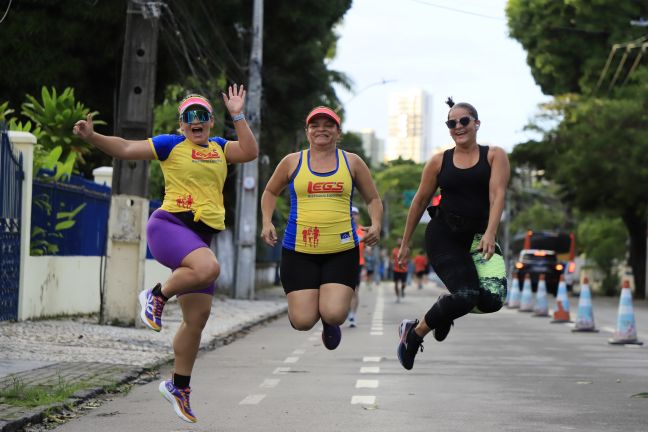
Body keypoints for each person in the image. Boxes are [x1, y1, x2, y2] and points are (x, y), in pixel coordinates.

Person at [72, 85, 258, 422]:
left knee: (196, 320)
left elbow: (249, 151)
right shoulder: (171, 145)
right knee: (209, 268)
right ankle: (155, 295)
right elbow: (127, 148)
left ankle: (179, 387)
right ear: (182, 124)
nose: (197, 121)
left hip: (201, 237)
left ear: (212, 122)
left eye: (203, 116)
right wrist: (93, 136)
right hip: (170, 227)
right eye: (191, 117)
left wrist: (238, 114)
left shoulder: (219, 148)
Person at [396, 97, 510, 370]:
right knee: (467, 294)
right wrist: (404, 243)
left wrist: (491, 232)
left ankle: (444, 310)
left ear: (476, 123)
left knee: (492, 300)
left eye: (464, 121)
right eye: (452, 123)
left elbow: (498, 196)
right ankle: (414, 333)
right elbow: (420, 202)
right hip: (444, 236)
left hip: (479, 237)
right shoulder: (439, 161)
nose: (458, 126)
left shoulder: (494, 156)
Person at [260, 106, 382, 350]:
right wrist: (266, 221)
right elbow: (271, 191)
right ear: (307, 132)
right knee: (302, 321)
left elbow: (373, 199)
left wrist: (376, 224)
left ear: (338, 131)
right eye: (315, 125)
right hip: (299, 251)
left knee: (335, 314)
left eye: (328, 125)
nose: (321, 129)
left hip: (341, 250)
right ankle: (314, 310)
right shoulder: (292, 162)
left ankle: (330, 321)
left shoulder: (352, 162)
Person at [347, 206, 365, 328]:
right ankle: (346, 312)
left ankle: (352, 315)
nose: (353, 216)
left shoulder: (362, 231)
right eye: (351, 213)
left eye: (355, 214)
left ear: (358, 216)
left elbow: (368, 247)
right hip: (342, 264)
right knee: (344, 292)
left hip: (358, 264)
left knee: (355, 291)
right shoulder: (342, 229)